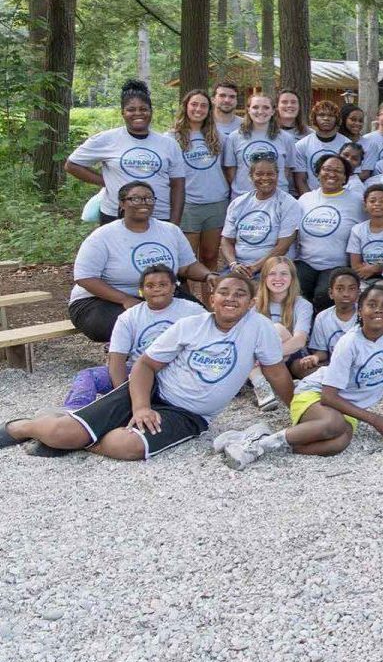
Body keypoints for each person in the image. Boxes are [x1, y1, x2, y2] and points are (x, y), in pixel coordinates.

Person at [2, 273, 288, 461]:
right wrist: (141, 408)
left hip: (189, 414)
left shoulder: (260, 329)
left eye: (240, 294)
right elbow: (145, 365)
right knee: (61, 432)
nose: (231, 298)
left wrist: (297, 411)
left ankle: (78, 437)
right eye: (224, 292)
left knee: (127, 447)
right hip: (152, 391)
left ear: (251, 302)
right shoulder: (190, 325)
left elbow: (276, 373)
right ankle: (21, 427)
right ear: (212, 299)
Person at [218, 283, 383, 468]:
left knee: (338, 443)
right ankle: (255, 446)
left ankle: (263, 438)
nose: (379, 310)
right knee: (334, 424)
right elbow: (329, 396)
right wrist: (375, 419)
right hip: (316, 394)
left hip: (345, 405)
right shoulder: (349, 343)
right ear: (360, 310)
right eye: (372, 305)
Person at [68, 181, 217, 343]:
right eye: (135, 199)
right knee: (129, 326)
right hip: (104, 300)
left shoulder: (170, 230)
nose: (143, 203)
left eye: (148, 198)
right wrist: (125, 299)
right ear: (122, 204)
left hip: (160, 293)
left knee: (201, 320)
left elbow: (187, 266)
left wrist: (208, 275)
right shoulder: (103, 236)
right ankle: (125, 354)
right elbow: (85, 278)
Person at [62, 266, 204, 411]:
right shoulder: (128, 317)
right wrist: (125, 395)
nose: (157, 289)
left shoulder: (193, 311)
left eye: (163, 285)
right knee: (88, 376)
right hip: (138, 373)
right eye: (150, 286)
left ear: (173, 287)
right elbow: (117, 359)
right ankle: (74, 412)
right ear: (141, 290)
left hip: (178, 372)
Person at [65, 79, 185, 224]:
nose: (138, 113)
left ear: (151, 111)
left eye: (143, 109)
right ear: (123, 113)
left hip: (158, 215)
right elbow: (72, 165)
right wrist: (105, 181)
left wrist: (175, 223)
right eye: (131, 109)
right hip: (115, 215)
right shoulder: (107, 139)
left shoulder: (169, 144)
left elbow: (178, 185)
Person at [171, 90, 229, 289]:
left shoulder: (219, 137)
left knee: (210, 256)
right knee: (185, 261)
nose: (198, 109)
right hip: (188, 205)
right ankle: (187, 300)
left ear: (209, 109)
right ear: (185, 107)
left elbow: (226, 169)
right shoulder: (172, 138)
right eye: (194, 104)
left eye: (203, 105)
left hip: (216, 202)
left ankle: (209, 301)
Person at [294, 154, 366, 310]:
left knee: (324, 295)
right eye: (326, 169)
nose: (331, 174)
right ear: (318, 173)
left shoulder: (357, 201)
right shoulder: (305, 199)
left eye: (338, 171)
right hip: (305, 262)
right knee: (295, 293)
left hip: (337, 265)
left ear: (345, 177)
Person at [220, 153, 302, 279]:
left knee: (254, 288)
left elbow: (282, 247)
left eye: (270, 174)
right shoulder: (238, 203)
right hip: (239, 266)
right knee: (222, 286)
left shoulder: (288, 203)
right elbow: (226, 241)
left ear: (277, 175)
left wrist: (254, 268)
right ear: (251, 176)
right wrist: (233, 264)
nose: (265, 178)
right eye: (259, 174)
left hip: (274, 266)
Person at [224, 93, 297, 198]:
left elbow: (286, 170)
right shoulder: (234, 137)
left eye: (266, 107)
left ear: (273, 111)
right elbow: (231, 171)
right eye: (255, 107)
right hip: (243, 197)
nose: (260, 111)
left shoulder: (287, 138)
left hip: (277, 197)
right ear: (248, 110)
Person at [346, 184, 383, 281]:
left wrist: (376, 268)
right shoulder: (357, 230)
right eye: (372, 201)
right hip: (365, 277)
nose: (377, 204)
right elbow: (356, 266)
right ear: (365, 206)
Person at [305, 269, 360, 367]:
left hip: (362, 367)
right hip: (335, 367)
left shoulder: (366, 315)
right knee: (298, 367)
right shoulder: (322, 318)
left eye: (351, 289)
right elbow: (322, 352)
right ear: (331, 293)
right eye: (340, 289)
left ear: (358, 293)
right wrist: (315, 357)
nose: (346, 294)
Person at [291, 100, 349, 194]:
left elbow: (351, 177)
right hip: (312, 196)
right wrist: (309, 200)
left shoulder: (347, 145)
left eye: (331, 115)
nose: (326, 118)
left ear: (337, 119)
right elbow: (300, 180)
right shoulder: (301, 145)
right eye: (321, 115)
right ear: (314, 118)